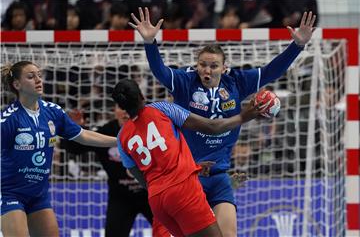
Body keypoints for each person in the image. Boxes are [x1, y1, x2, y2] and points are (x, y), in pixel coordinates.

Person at [129, 7, 316, 236]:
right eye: (202, 65)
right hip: (186, 177)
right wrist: (150, 43)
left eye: (213, 65)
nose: (207, 70)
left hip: (219, 176)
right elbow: (160, 71)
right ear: (196, 65)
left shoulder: (236, 82)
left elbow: (270, 72)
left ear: (224, 68)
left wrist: (296, 46)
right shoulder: (185, 82)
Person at [112, 78, 260, 237]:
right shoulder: (160, 108)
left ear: (121, 106)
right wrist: (245, 116)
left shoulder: (121, 138)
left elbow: (144, 180)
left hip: (157, 200)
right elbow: (212, 126)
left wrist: (190, 168)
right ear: (142, 95)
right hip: (182, 189)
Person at [0, 61, 118, 237]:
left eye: (39, 75)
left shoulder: (53, 112)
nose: (38, 80)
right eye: (31, 77)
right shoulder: (9, 119)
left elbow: (84, 136)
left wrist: (120, 141)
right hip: (10, 193)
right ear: (17, 85)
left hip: (39, 195)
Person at [62, 105, 170, 237]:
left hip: (150, 193)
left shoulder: (150, 129)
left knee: (171, 231)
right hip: (120, 197)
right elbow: (74, 149)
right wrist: (76, 128)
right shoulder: (105, 131)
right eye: (120, 107)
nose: (125, 111)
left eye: (127, 106)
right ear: (114, 110)